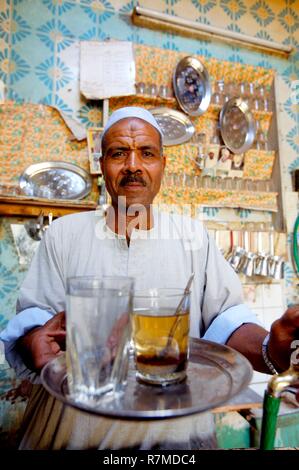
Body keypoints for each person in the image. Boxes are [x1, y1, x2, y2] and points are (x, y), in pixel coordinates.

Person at [1, 107, 298, 450]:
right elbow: (35, 319)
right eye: (118, 153)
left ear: (162, 166)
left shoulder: (193, 237)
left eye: (146, 153)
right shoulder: (63, 235)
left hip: (174, 431)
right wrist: (33, 338)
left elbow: (225, 321)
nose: (132, 166)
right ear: (102, 165)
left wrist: (270, 348)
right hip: (73, 429)